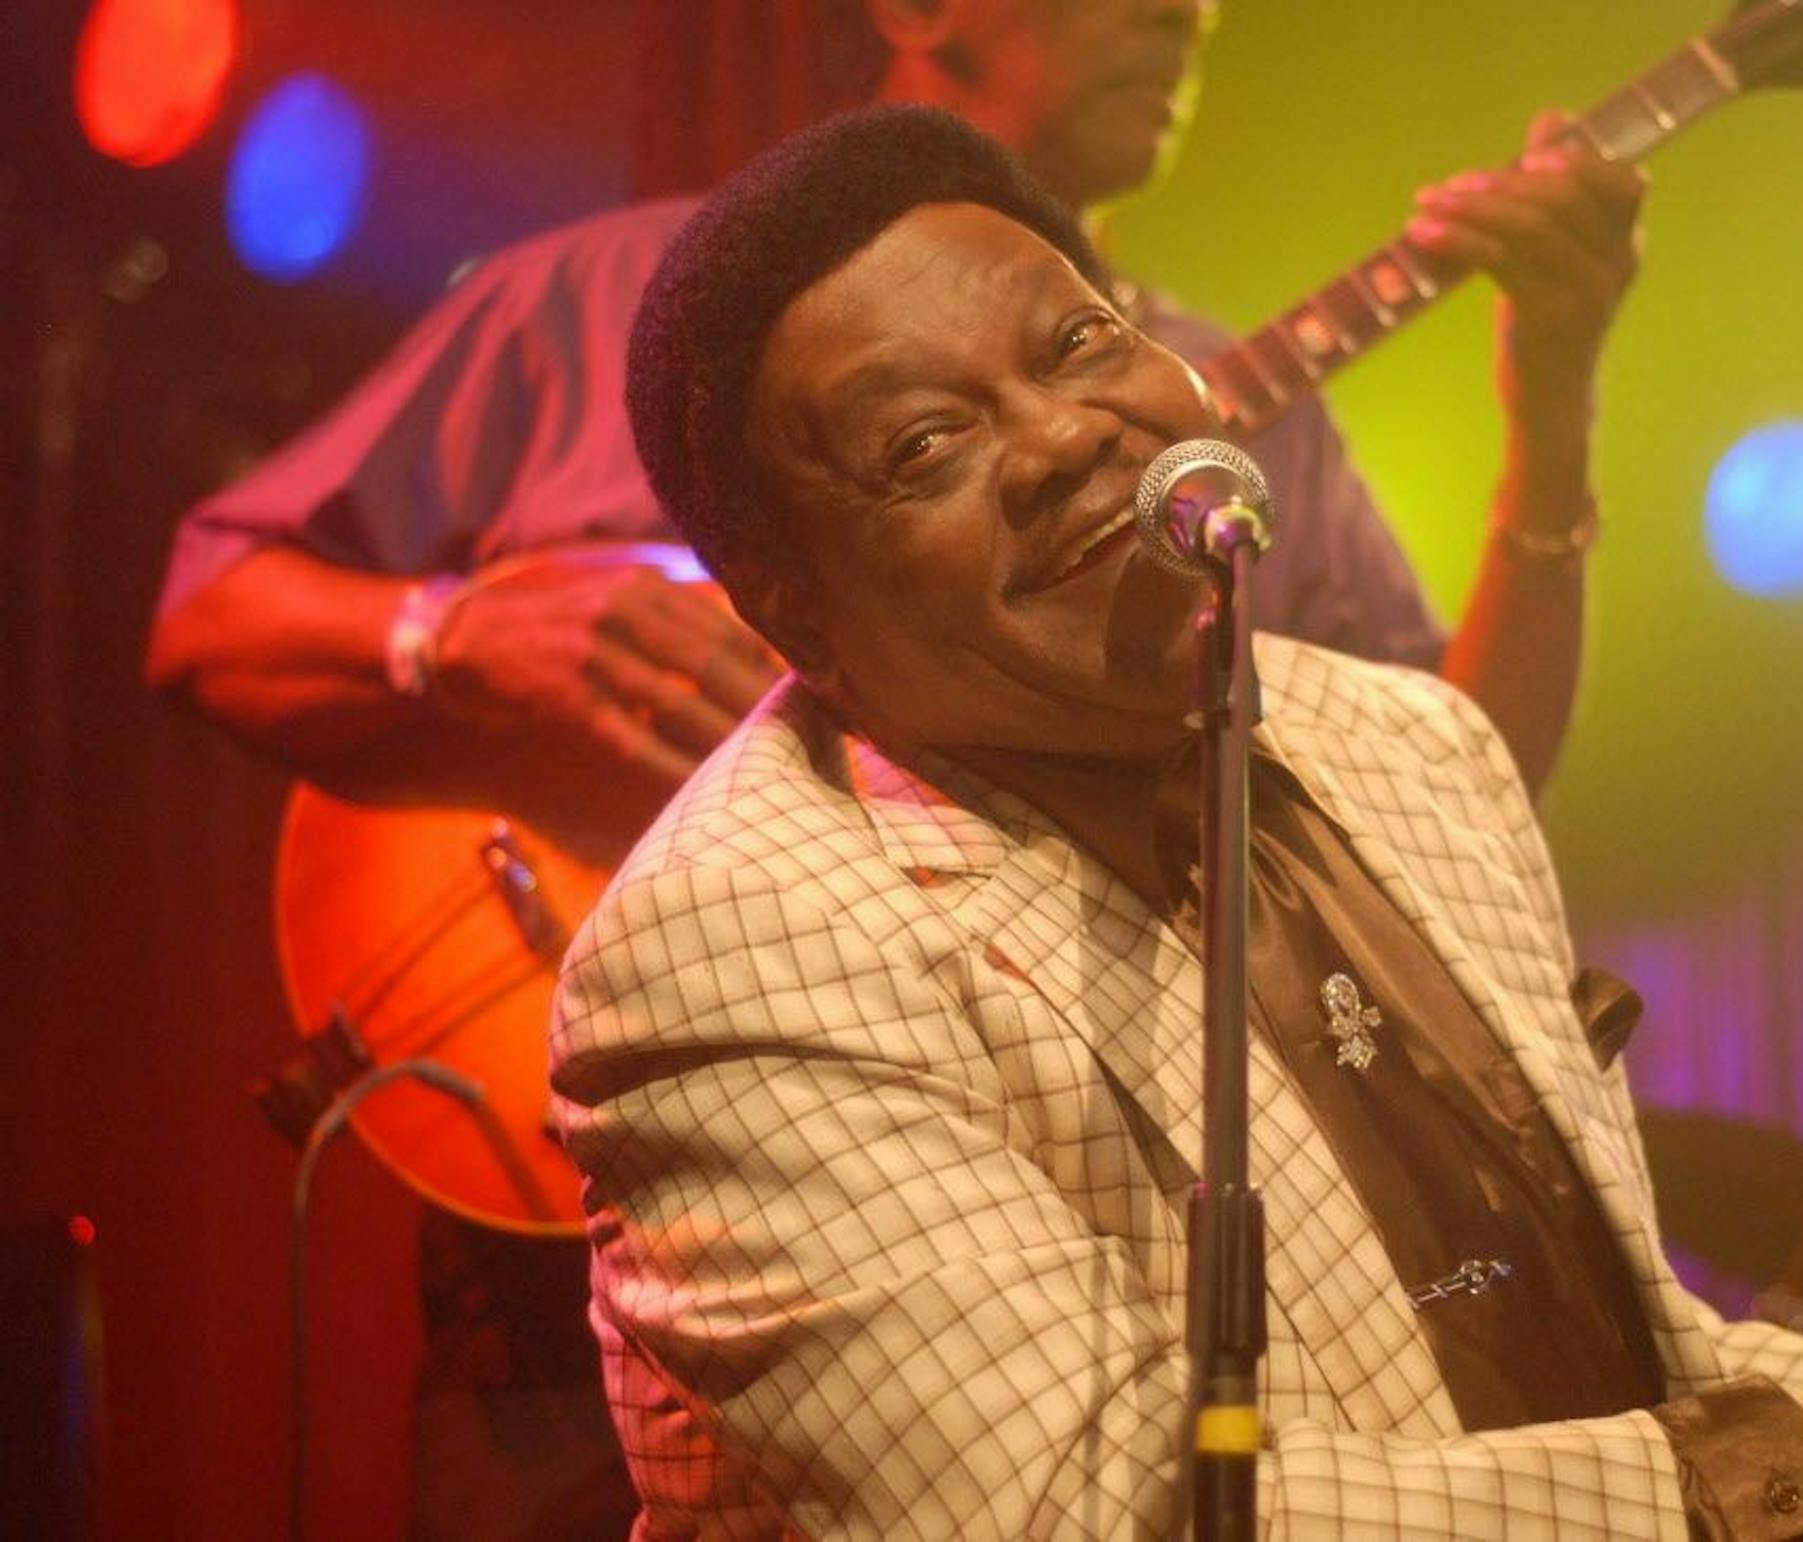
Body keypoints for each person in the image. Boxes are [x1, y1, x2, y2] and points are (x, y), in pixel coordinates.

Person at [145, 3, 1636, 1532]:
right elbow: (208, 608)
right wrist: (448, 634)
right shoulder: (601, 305)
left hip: (1123, 1227)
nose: (1183, 13)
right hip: (551, 1211)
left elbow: (1456, 815)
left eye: (1071, 347)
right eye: (922, 443)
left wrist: (1558, 415)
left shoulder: (1205, 411)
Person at [554, 103, 1803, 1538]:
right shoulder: (739, 938)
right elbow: (1091, 1513)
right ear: (789, 609)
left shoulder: (1411, 745)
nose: (1061, 434)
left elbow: (1634, 1361)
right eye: (926, 441)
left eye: (1078, 342)